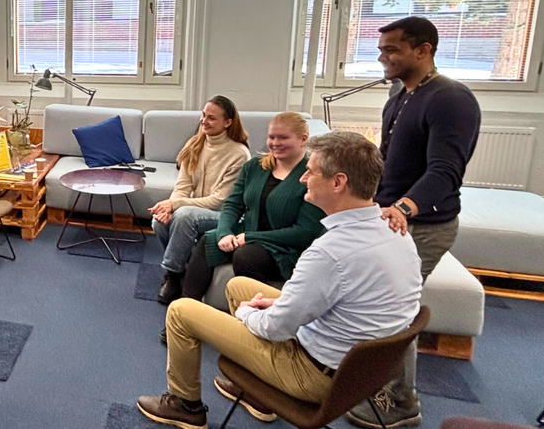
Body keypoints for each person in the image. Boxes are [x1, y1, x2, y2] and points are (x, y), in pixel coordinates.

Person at [136, 131, 423, 429]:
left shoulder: (329, 252)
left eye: (310, 172)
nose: (302, 179)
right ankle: (257, 391)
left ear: (338, 183)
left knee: (182, 311)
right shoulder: (395, 231)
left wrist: (249, 313)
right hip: (358, 370)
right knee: (236, 286)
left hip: (315, 376)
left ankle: (185, 405)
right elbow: (350, 300)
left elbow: (276, 328)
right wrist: (280, 303)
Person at [346, 17, 481, 428]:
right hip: (391, 218)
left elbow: (445, 171)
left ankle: (401, 401)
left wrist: (403, 208)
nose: (382, 56)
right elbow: (390, 161)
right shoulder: (400, 94)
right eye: (381, 48)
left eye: (392, 49)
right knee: (375, 300)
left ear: (423, 50)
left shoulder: (450, 99)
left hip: (425, 224)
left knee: (393, 307)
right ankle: (374, 381)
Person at [178, 112, 325, 305]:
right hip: (247, 234)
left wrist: (251, 238)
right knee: (209, 240)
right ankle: (187, 309)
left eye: (283, 138)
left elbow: (305, 232)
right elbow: (232, 205)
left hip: (286, 248)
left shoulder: (311, 176)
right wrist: (224, 233)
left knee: (246, 255)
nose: (275, 143)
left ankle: (250, 318)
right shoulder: (254, 166)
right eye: (271, 137)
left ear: (303, 139)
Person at [150, 96, 252, 304]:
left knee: (185, 216)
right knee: (160, 221)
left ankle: (171, 274)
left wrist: (176, 205)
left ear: (228, 122)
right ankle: (180, 273)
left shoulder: (239, 153)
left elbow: (219, 200)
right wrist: (169, 207)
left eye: (211, 118)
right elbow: (183, 187)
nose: (204, 121)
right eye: (203, 115)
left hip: (226, 216)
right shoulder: (195, 144)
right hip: (198, 209)